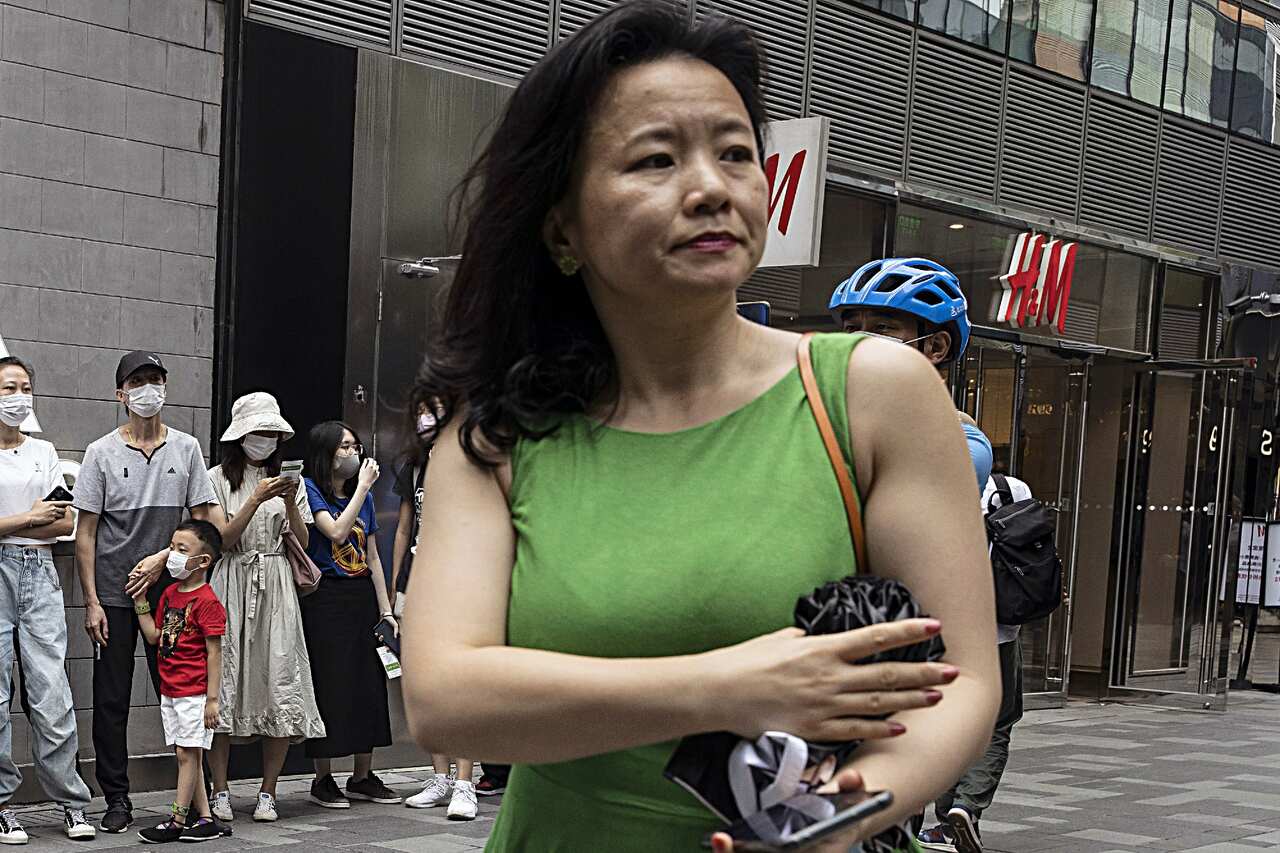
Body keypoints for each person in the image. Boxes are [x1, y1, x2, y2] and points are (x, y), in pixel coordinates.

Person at [399, 4, 1001, 851]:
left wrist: (841, 814)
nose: (712, 186)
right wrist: (726, 685)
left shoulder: (871, 390)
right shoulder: (502, 428)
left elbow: (966, 677)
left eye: (735, 152)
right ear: (562, 224)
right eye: (656, 158)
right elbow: (444, 697)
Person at [73, 351, 226, 834]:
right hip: (117, 596)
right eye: (137, 381)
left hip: (175, 592)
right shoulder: (101, 452)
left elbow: (203, 522)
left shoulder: (186, 448)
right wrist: (92, 600)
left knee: (181, 693)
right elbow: (86, 534)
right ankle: (117, 798)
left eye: (155, 379)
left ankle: (197, 805)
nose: (147, 389)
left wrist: (164, 557)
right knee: (113, 697)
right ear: (121, 394)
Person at [206, 393, 326, 824]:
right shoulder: (216, 478)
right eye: (259, 432)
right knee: (224, 681)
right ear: (240, 435)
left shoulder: (289, 480)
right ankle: (219, 789)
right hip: (231, 580)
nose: (267, 440)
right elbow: (222, 540)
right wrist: (255, 499)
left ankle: (268, 791)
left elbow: (306, 542)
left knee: (279, 678)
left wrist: (290, 500)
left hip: (276, 583)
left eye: (273, 433)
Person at [0, 356, 96, 843]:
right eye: (8, 387)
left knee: (51, 691)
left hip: (38, 571)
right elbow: (44, 517)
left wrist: (30, 520)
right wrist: (30, 517)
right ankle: (1, 804)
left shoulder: (44, 451)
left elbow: (64, 522)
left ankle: (71, 803)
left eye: (25, 386)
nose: (18, 395)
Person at [918, 473, 1031, 853]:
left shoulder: (932, 486)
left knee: (946, 718)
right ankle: (963, 809)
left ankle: (937, 814)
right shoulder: (1010, 489)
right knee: (996, 723)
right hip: (999, 631)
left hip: (945, 628)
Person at [300, 421, 400, 810]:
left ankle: (363, 775)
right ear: (327, 452)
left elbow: (372, 556)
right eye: (345, 446)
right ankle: (322, 777)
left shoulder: (366, 499)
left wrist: (386, 609)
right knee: (329, 682)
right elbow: (336, 532)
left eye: (356, 446)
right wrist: (362, 488)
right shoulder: (310, 490)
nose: (353, 453)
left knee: (368, 682)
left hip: (361, 597)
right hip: (325, 597)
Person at [829, 257, 992, 489]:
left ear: (936, 347)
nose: (859, 340)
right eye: (852, 329)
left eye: (882, 328)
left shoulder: (966, 445)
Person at [393, 399, 480, 819]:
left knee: (463, 683)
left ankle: (466, 782)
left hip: (463, 581)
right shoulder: (413, 466)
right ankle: (440, 776)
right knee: (427, 683)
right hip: (419, 580)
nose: (429, 418)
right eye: (423, 410)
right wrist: (396, 588)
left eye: (437, 409)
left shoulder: (474, 458)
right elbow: (404, 527)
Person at [132, 520, 226, 843]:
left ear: (203, 561)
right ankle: (204, 819)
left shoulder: (208, 601)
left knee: (188, 754)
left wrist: (212, 700)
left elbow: (215, 654)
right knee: (188, 754)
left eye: (181, 550)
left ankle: (176, 820)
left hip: (194, 692)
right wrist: (141, 600)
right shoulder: (170, 594)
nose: (172, 555)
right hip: (169, 690)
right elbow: (154, 635)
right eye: (171, 547)